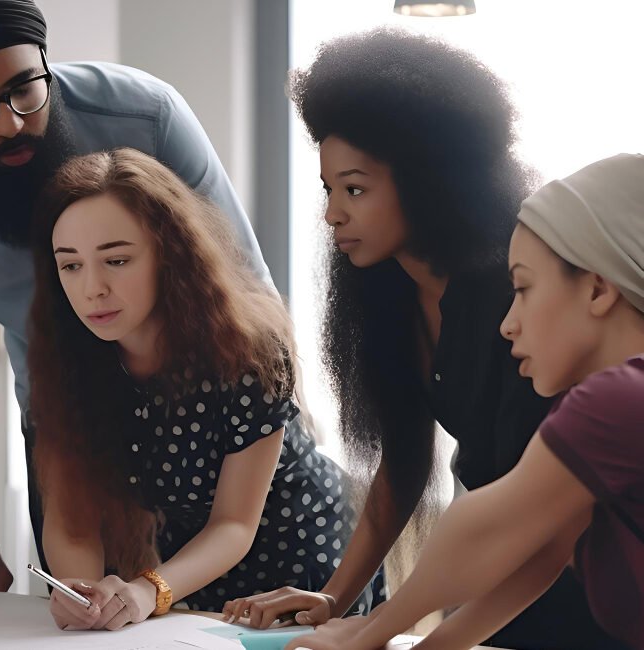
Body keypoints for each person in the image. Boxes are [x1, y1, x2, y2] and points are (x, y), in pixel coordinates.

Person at [222, 27, 617, 648]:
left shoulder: (513, 298)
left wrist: (377, 632)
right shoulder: (389, 296)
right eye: (329, 190)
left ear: (428, 181)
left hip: (578, 582)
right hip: (502, 578)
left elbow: (534, 524)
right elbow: (404, 463)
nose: (332, 214)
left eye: (355, 189)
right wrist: (334, 601)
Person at [0, 0, 269, 593]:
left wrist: (260, 410)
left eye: (24, 89)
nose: (9, 123)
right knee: (91, 615)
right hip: (65, 422)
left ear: (46, 61)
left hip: (212, 415)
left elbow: (245, 287)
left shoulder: (147, 114)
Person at [283, 153, 643, 650]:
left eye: (523, 288)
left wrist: (367, 635)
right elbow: (544, 552)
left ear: (598, 290)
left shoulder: (616, 400)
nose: (508, 323)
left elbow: (482, 529)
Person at [28, 148, 377, 631]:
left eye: (117, 260)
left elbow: (234, 523)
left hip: (297, 551)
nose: (93, 288)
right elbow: (73, 524)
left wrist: (147, 589)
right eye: (70, 266)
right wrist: (82, 597)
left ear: (170, 253)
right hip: (185, 572)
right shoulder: (64, 362)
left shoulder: (247, 349)